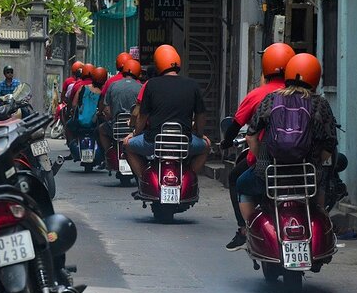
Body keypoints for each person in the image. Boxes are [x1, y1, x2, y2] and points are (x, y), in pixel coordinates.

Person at [235, 53, 338, 224]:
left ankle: (248, 228)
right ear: (316, 78)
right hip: (307, 176)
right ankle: (322, 221)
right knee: (320, 191)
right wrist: (315, 161)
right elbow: (330, 142)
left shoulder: (272, 99)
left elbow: (251, 137)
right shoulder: (320, 104)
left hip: (269, 174)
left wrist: (262, 160)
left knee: (242, 185)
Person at [219, 43, 295, 251]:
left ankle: (244, 228)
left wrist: (225, 143)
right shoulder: (305, 96)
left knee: (236, 178)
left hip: (267, 160)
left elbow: (238, 125)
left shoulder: (260, 95)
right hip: (301, 161)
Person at [123, 45, 210, 179]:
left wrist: (135, 134)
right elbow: (201, 115)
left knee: (127, 145)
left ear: (158, 64)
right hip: (184, 142)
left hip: (154, 142)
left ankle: (144, 179)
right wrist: (199, 134)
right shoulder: (192, 84)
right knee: (206, 147)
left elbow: (143, 116)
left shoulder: (151, 84)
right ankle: (189, 178)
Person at [98, 59, 142, 153]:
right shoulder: (141, 87)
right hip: (134, 129)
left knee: (101, 129)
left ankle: (108, 154)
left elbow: (107, 110)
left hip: (116, 128)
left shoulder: (113, 85)